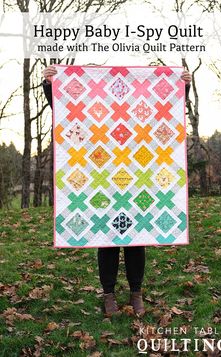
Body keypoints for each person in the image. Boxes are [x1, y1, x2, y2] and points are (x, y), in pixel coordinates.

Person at [43, 65, 192, 317]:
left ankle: (136, 292)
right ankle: (109, 294)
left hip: (136, 178)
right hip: (103, 181)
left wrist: (183, 86)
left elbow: (162, 111)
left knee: (136, 240)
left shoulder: (138, 108)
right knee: (107, 240)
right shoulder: (96, 104)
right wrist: (50, 86)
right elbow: (69, 109)